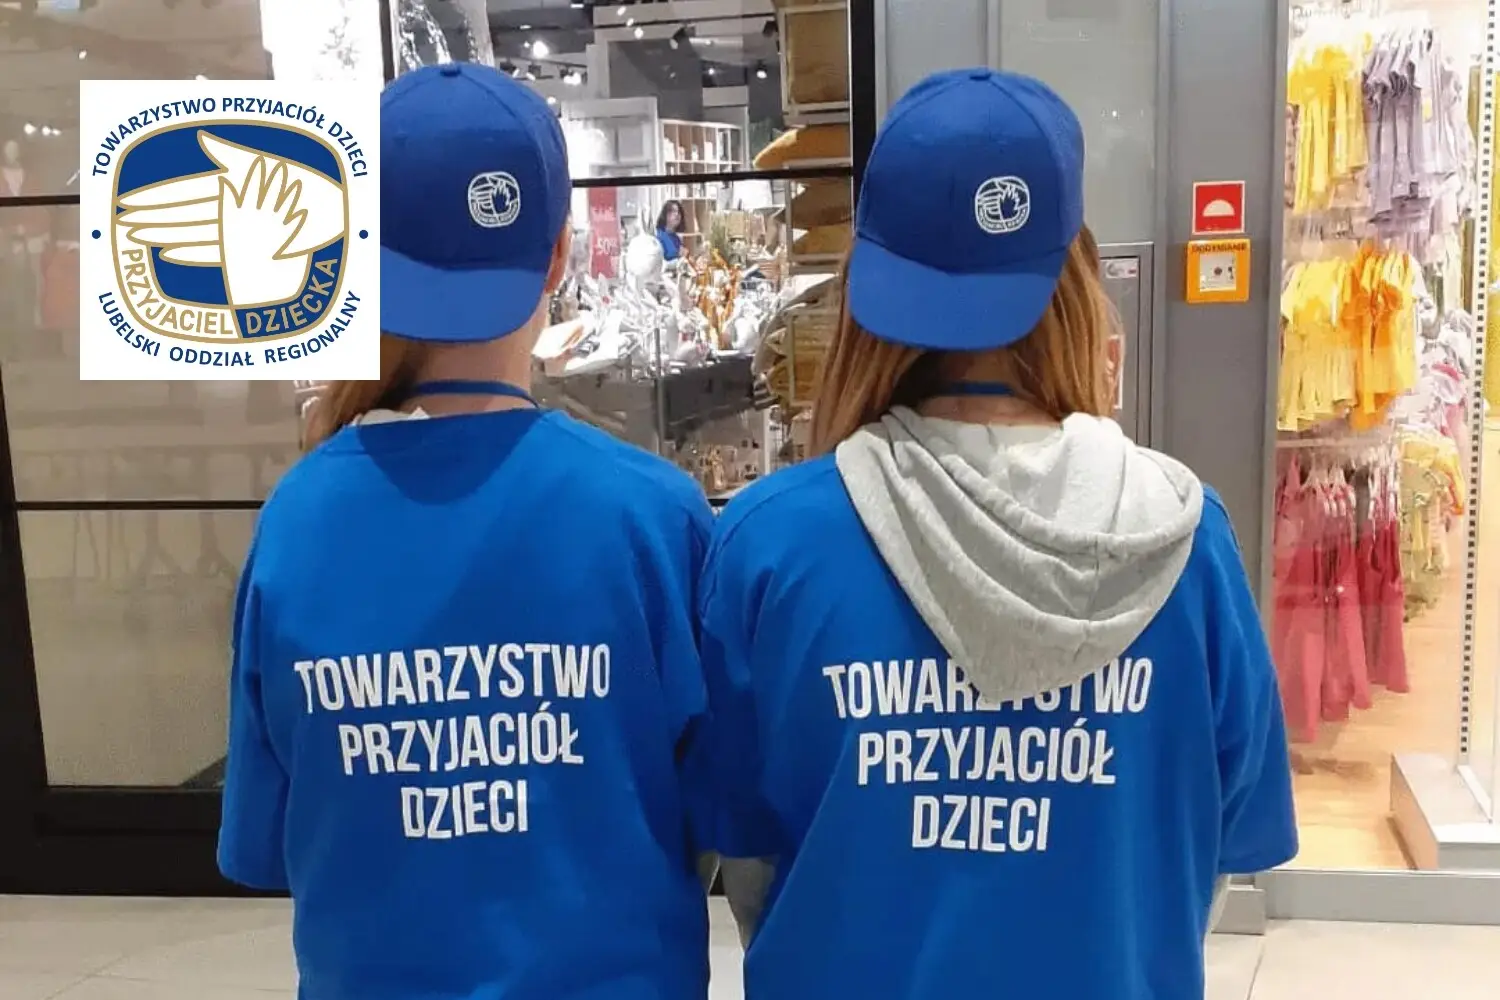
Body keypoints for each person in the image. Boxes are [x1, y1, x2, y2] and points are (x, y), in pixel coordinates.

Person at [700, 68, 1298, 1000]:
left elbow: (750, 874)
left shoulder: (772, 546)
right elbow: (1204, 869)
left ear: (864, 289)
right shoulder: (1185, 542)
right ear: (1078, 278)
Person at [218, 63, 716, 1000]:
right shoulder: (652, 514)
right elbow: (718, 813)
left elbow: (270, 838)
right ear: (558, 257)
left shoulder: (297, 523)